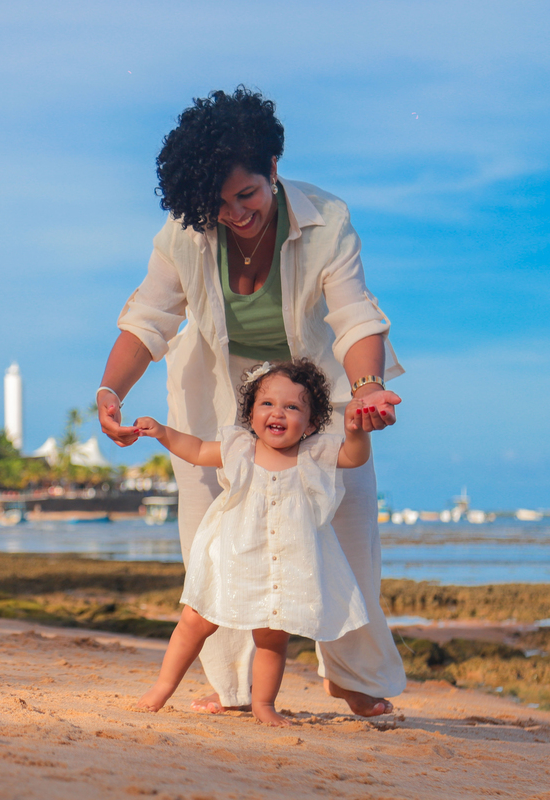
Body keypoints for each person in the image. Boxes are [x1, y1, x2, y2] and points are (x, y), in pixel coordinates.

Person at [98, 87, 406, 717]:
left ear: (273, 168)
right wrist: (111, 391)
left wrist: (368, 389)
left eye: (248, 195)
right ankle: (235, 685)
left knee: (347, 528)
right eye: (218, 203)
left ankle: (351, 674)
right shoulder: (184, 232)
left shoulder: (327, 219)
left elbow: (354, 317)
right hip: (215, 389)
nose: (235, 213)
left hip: (309, 393)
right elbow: (149, 317)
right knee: (213, 532)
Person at [135, 360, 381, 725]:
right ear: (250, 415)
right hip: (232, 556)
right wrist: (162, 433)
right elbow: (197, 450)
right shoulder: (240, 449)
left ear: (312, 423)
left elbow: (354, 456)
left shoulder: (314, 454)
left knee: (271, 638)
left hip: (286, 564)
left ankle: (264, 703)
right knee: (194, 621)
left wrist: (356, 431)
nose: (277, 413)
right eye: (267, 404)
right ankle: (162, 687)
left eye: (293, 407)